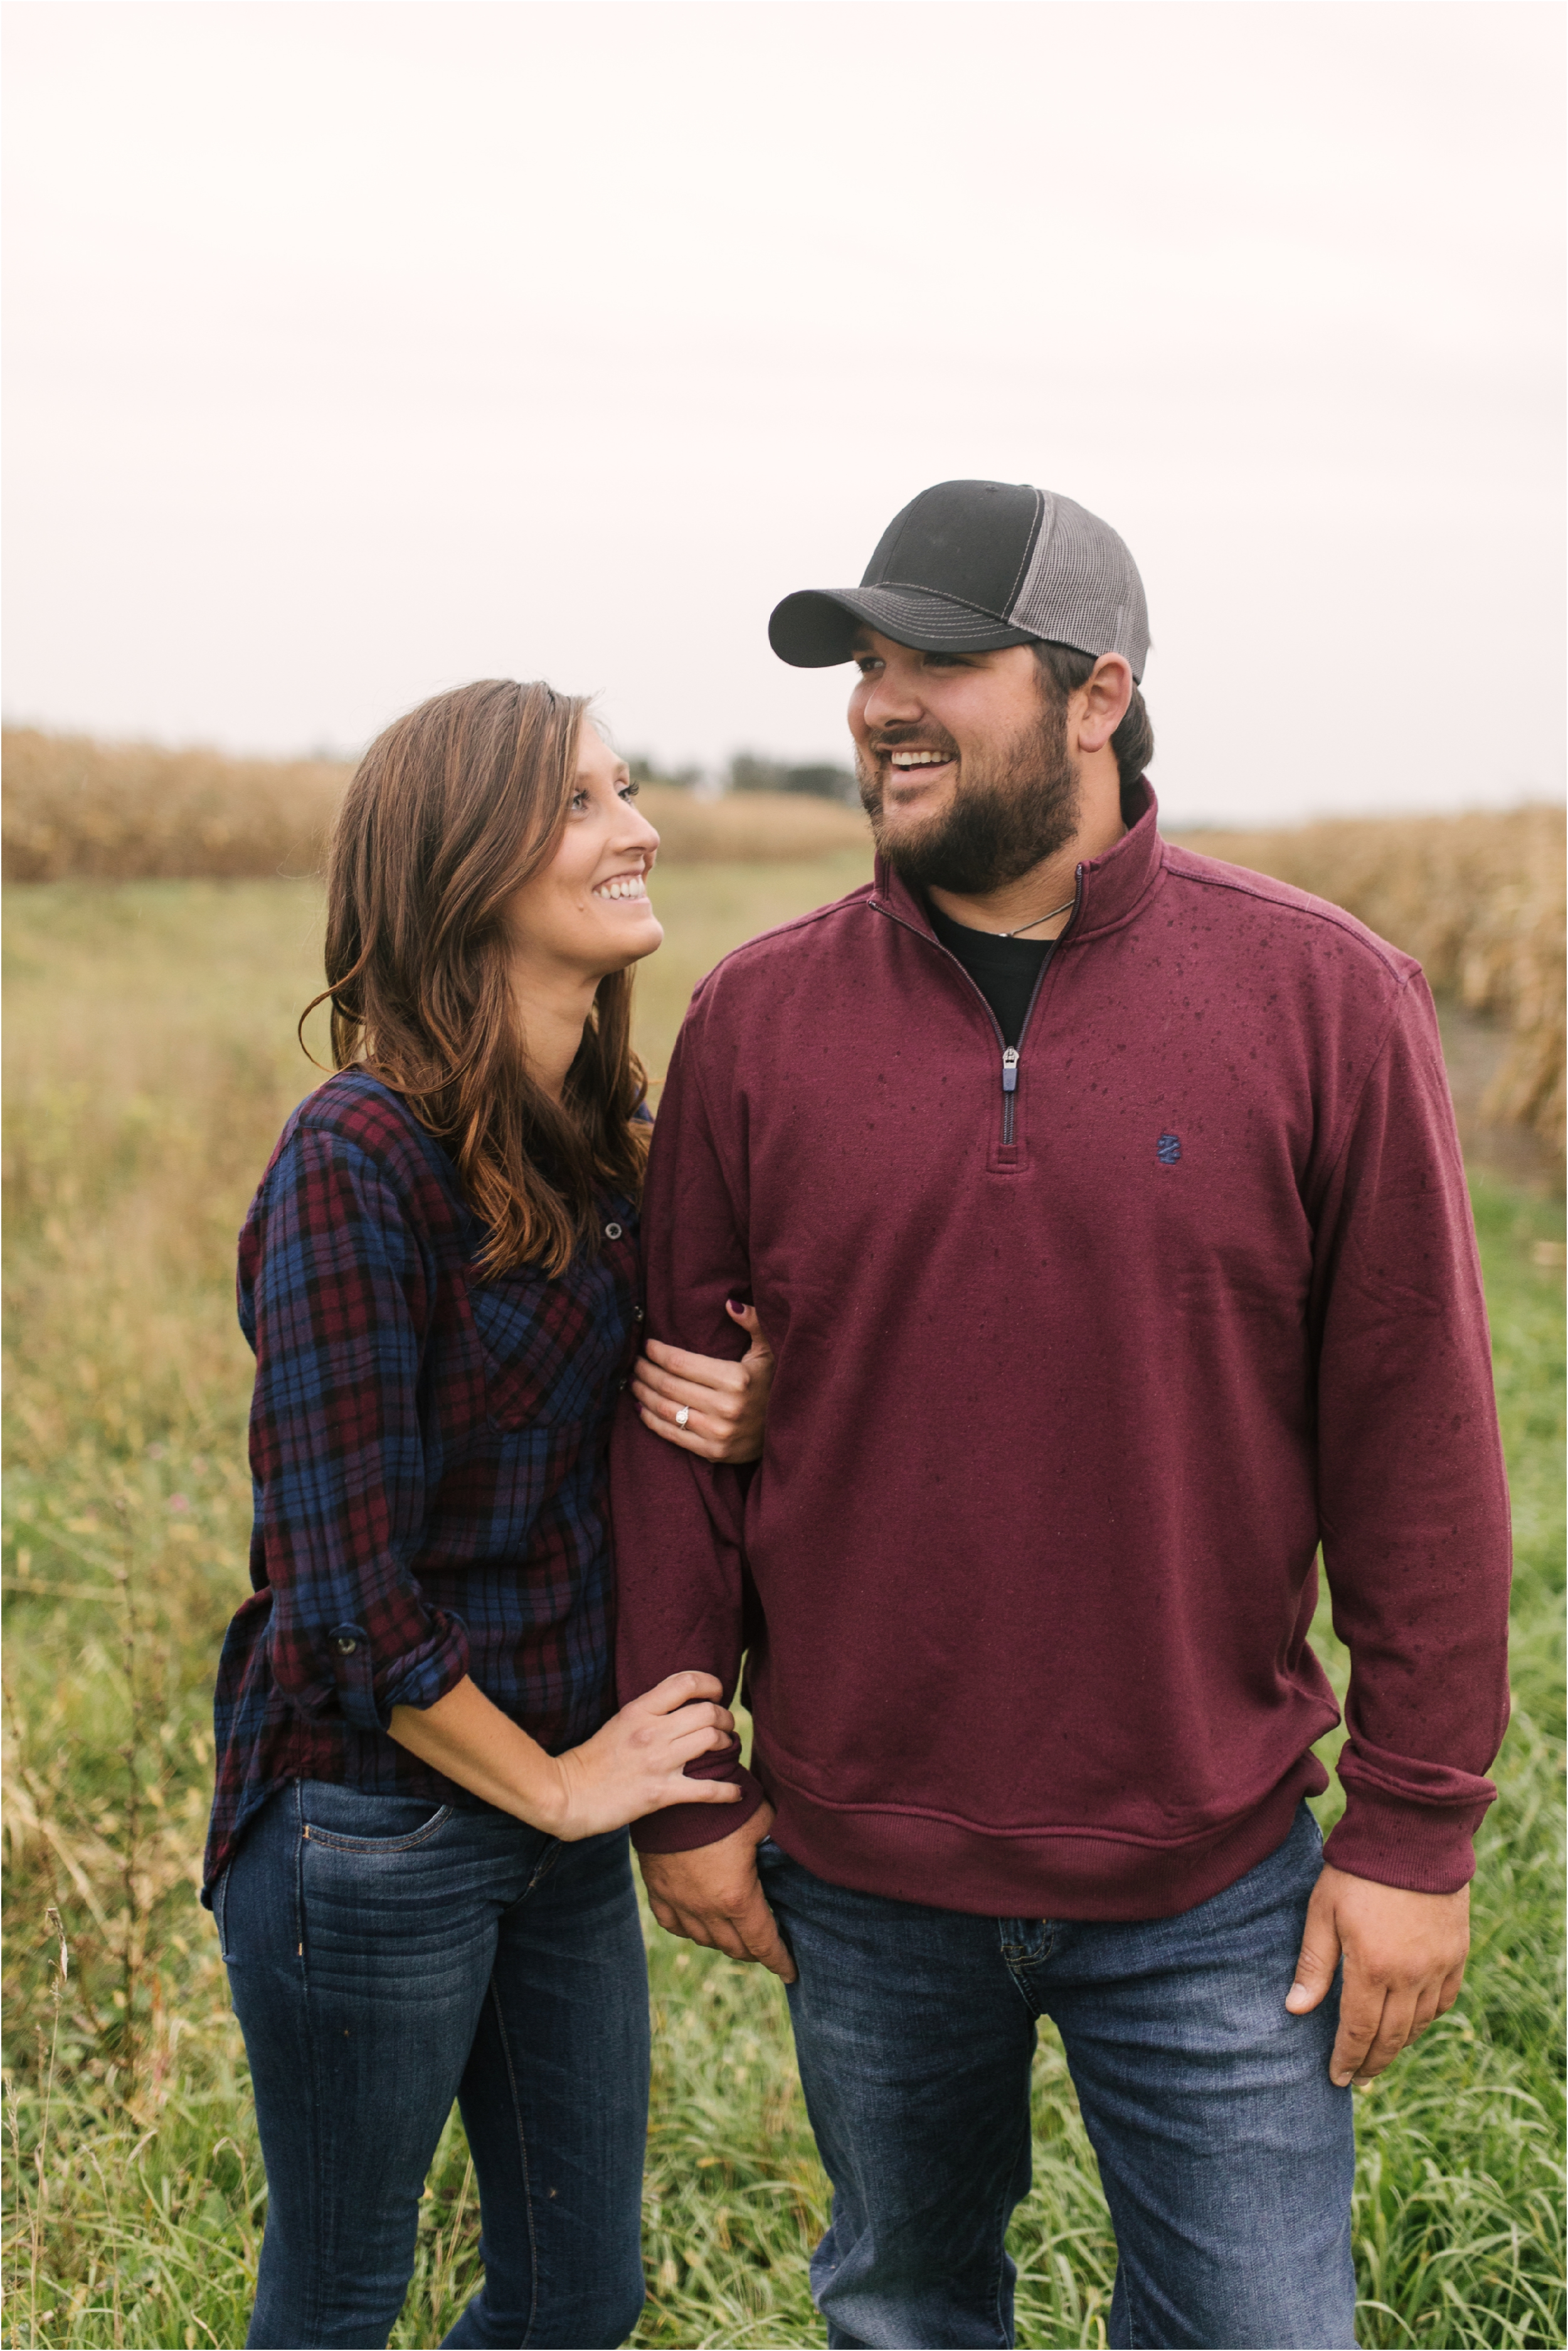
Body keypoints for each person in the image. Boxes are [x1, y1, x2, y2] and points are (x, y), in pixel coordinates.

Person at [612, 480, 1513, 2351]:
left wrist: (1414, 1828)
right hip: (862, 1871)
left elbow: (1416, 1438)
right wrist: (692, 1784)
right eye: (865, 664)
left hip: (1214, 1876)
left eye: (938, 658)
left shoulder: (1322, 999)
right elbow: (674, 1434)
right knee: (902, 2307)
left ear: (1097, 695)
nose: (880, 702)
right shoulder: (757, 1024)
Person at [203, 678, 780, 2351]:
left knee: (576, 2293)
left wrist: (753, 1403)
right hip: (371, 1826)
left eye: (630, 788)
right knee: (337, 2297)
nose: (640, 825)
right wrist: (556, 1781)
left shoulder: (614, 1144)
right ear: (469, 864)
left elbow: (651, 1434)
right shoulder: (358, 1158)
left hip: (552, 1831)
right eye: (588, 802)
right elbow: (341, 1594)